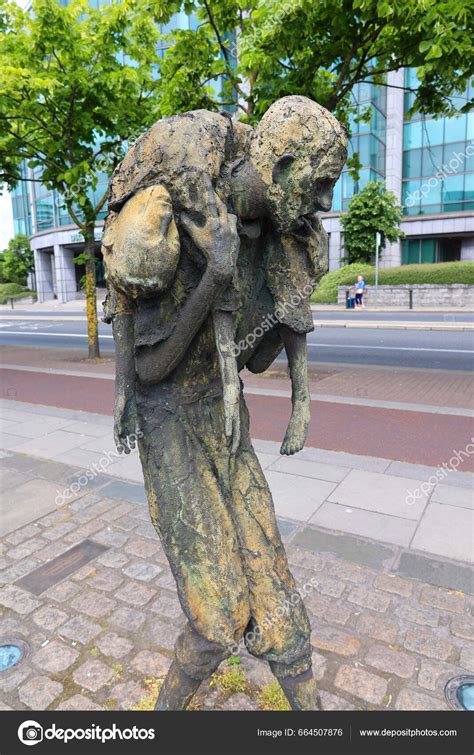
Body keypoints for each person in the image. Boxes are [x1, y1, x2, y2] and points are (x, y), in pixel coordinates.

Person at [102, 96, 347, 711]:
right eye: (318, 185)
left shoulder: (274, 230)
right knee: (218, 616)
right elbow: (150, 369)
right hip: (170, 423)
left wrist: (294, 387)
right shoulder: (171, 214)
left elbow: (253, 352)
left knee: (283, 611)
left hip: (222, 419)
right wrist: (214, 278)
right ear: (284, 164)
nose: (323, 203)